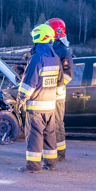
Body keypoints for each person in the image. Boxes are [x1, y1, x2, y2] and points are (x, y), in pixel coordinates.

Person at [18, 23, 61, 173]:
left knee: (34, 136)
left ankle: (33, 166)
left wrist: (21, 99)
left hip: (36, 107)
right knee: (50, 135)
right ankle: (51, 163)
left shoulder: (37, 58)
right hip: (50, 106)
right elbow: (60, 81)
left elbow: (29, 83)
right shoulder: (55, 57)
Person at [47, 18, 74, 162]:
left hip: (57, 96)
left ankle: (60, 154)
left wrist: (54, 84)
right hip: (48, 96)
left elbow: (68, 75)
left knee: (57, 124)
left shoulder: (62, 50)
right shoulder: (52, 48)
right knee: (50, 125)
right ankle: (51, 152)